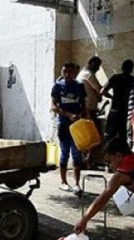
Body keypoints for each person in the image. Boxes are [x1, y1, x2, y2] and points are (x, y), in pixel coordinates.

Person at [51, 62, 89, 194]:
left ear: (75, 73)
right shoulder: (57, 86)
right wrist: (68, 114)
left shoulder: (79, 86)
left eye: (70, 72)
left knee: (76, 154)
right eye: (65, 71)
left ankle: (77, 184)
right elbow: (53, 107)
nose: (67, 74)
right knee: (64, 153)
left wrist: (85, 119)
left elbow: (83, 105)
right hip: (63, 124)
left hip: (77, 125)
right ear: (62, 72)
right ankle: (63, 182)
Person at [77, 56, 104, 169]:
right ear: (90, 63)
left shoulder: (81, 74)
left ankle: (84, 160)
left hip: (84, 109)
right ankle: (88, 161)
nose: (97, 69)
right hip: (88, 110)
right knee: (93, 137)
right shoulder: (88, 74)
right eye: (96, 66)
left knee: (85, 137)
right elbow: (100, 89)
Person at [101, 59, 134, 143]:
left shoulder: (115, 77)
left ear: (122, 67)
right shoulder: (131, 80)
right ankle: (121, 155)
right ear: (131, 69)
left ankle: (107, 153)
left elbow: (102, 91)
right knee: (122, 135)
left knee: (110, 135)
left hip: (114, 109)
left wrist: (112, 97)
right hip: (125, 111)